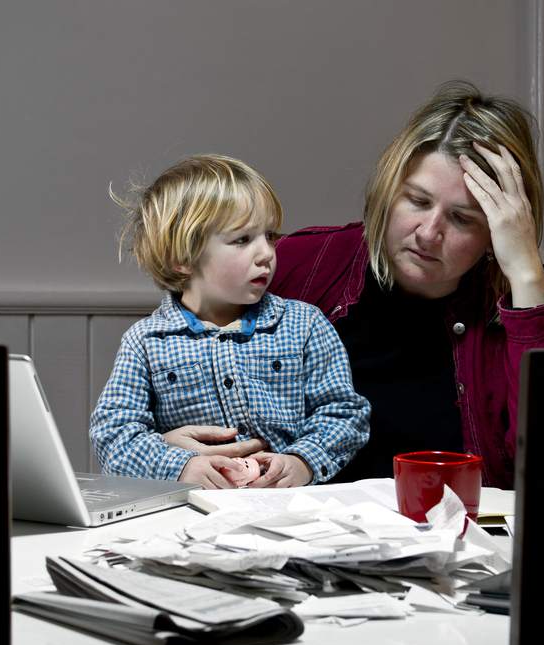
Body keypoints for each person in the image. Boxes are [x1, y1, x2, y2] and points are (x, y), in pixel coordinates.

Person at [267, 81, 544, 493]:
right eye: (418, 201)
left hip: (463, 542)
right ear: (389, 190)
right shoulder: (302, 265)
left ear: (499, 230)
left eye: (462, 219)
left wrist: (528, 278)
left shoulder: (538, 303)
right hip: (300, 534)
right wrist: (164, 441)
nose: (428, 233)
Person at [90, 154, 370, 489]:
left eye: (269, 236)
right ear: (183, 257)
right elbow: (114, 434)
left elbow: (344, 412)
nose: (266, 253)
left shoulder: (304, 325)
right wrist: (181, 467)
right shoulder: (146, 341)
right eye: (242, 239)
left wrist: (303, 461)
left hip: (290, 509)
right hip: (189, 511)